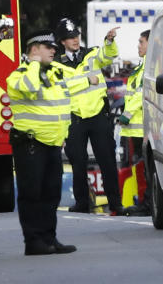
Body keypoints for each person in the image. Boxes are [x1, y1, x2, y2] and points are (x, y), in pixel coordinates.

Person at [7, 28, 98, 256]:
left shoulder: (55, 72)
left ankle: (49, 238)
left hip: (53, 143)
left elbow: (72, 81)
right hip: (30, 144)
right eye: (48, 47)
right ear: (34, 49)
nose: (53, 51)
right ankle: (33, 241)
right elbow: (30, 87)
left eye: (54, 48)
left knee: (51, 194)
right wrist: (34, 63)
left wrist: (88, 79)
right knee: (32, 194)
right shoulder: (19, 75)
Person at [52, 17, 124, 215]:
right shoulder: (56, 64)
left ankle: (115, 203)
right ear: (62, 41)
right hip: (74, 118)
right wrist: (86, 81)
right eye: (70, 37)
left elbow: (109, 55)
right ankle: (82, 203)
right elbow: (60, 87)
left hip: (98, 114)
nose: (75, 39)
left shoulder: (91, 53)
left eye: (76, 35)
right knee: (78, 161)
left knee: (107, 160)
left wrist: (109, 41)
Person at [118, 29, 150, 215]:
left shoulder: (148, 67)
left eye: (141, 42)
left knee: (144, 168)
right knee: (140, 167)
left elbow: (140, 93)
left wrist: (126, 115)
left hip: (141, 127)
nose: (138, 46)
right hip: (136, 128)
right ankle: (144, 202)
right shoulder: (142, 66)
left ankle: (146, 205)